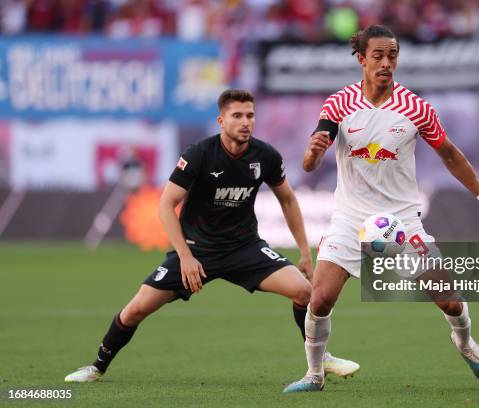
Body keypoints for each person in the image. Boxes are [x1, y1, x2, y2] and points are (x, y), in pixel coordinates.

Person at [65, 89, 359, 383]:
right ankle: (97, 366)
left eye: (250, 115)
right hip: (197, 252)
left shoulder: (265, 155)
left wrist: (305, 252)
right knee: (135, 310)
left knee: (305, 292)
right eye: (237, 116)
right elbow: (166, 206)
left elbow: (288, 200)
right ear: (221, 120)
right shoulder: (199, 154)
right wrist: (185, 257)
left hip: (245, 249)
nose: (246, 122)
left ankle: (321, 357)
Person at [283, 25, 479, 392]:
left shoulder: (415, 108)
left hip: (400, 222)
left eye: (392, 56)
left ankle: (465, 343)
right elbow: (309, 164)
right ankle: (314, 374)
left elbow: (449, 153)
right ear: (361, 60)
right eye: (378, 56)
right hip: (350, 218)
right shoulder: (338, 104)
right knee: (320, 297)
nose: (386, 63)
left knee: (449, 301)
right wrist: (313, 152)